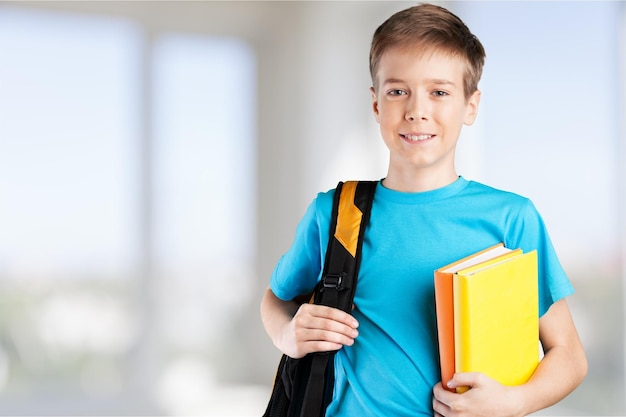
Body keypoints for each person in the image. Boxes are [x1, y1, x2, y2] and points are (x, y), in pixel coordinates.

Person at [260, 3, 587, 416]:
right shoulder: (336, 214)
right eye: (398, 91)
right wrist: (286, 334)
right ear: (376, 104)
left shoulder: (511, 218)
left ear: (471, 105)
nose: (416, 110)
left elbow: (569, 355)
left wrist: (514, 402)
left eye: (440, 92)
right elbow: (275, 298)